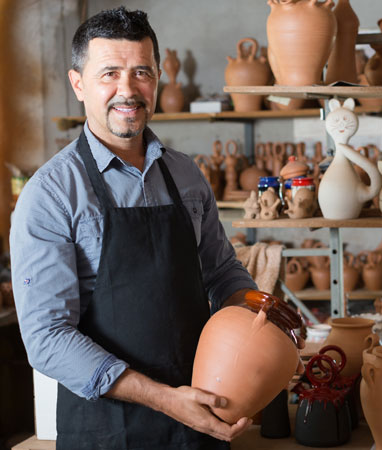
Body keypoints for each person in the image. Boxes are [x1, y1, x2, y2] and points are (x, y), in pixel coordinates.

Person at [10, 7, 257, 449]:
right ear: (78, 83)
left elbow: (222, 274)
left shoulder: (186, 175)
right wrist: (164, 399)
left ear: (158, 77)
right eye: (109, 73)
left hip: (202, 421)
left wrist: (260, 319)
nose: (128, 90)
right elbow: (47, 337)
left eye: (141, 72)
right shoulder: (50, 193)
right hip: (107, 431)